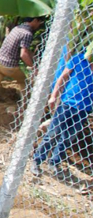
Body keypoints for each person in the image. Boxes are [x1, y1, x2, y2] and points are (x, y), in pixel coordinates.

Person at [31, 43, 93, 177]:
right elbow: (63, 78)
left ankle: (54, 162)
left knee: (68, 138)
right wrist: (54, 96)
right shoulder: (78, 59)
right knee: (53, 133)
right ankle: (37, 160)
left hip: (84, 109)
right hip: (67, 103)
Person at [0, 17, 44, 119]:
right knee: (24, 84)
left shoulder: (17, 28)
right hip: (9, 66)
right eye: (39, 22)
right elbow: (23, 54)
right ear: (34, 20)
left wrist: (33, 58)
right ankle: (24, 111)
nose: (39, 25)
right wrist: (34, 67)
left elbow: (25, 50)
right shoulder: (27, 34)